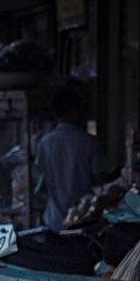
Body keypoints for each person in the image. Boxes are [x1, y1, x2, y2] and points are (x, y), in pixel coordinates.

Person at [34, 88, 105, 234]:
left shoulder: (44, 143)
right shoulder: (89, 143)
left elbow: (39, 178)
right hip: (83, 222)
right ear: (75, 111)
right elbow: (100, 184)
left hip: (53, 221)